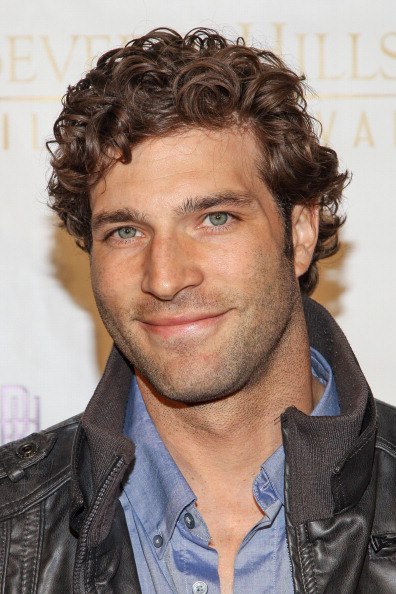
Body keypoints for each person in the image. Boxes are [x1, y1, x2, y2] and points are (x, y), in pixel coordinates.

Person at [0, 27, 395, 594]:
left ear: (301, 231)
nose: (164, 277)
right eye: (126, 230)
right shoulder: (12, 522)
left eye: (215, 219)